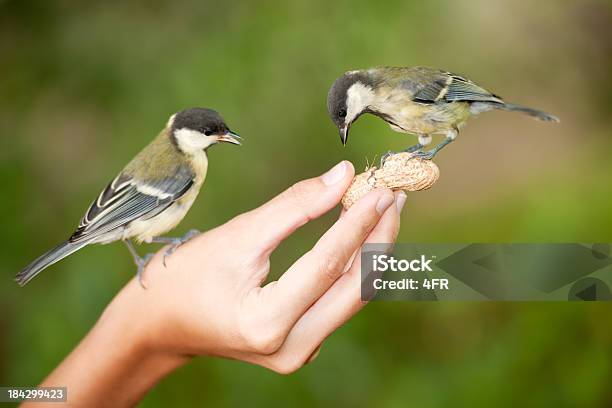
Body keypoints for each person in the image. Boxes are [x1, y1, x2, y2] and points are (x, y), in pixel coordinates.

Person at [24, 161, 405, 407]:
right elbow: (137, 210)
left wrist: (146, 325)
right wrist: (155, 318)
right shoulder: (182, 166)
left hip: (114, 219)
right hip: (123, 221)